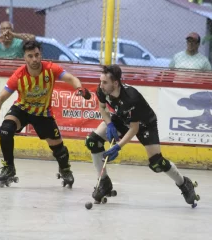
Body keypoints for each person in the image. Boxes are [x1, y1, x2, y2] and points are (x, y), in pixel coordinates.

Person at [85, 64, 200, 207]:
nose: (101, 85)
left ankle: (184, 183)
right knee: (92, 141)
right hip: (122, 119)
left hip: (146, 124)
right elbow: (102, 108)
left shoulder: (131, 97)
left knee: (157, 163)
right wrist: (109, 124)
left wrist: (118, 147)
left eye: (105, 82)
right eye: (101, 81)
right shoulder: (102, 90)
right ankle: (104, 182)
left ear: (115, 83)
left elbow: (134, 128)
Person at [0, 40, 91, 187]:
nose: (34, 59)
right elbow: (0, 98)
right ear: (24, 57)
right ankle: (8, 167)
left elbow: (71, 78)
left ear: (40, 54)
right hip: (22, 109)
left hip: (42, 113)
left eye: (36, 55)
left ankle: (65, 169)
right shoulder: (18, 76)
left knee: (58, 149)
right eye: (30, 56)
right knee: (5, 131)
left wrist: (79, 88)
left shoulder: (50, 69)